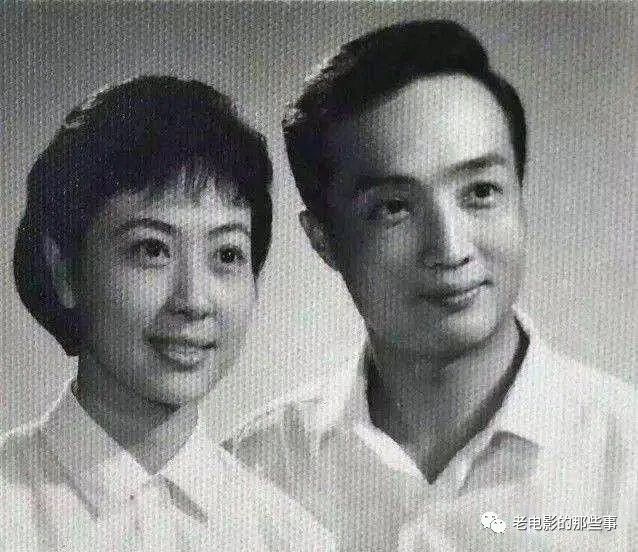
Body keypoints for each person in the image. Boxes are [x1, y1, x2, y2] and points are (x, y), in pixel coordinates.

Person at [228, 20, 637, 550]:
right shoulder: (251, 475)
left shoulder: (627, 457)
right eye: (394, 208)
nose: (450, 248)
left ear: (519, 196)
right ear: (324, 240)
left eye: (481, 192)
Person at [1, 76, 334, 551]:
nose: (193, 301)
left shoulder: (292, 538)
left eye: (227, 255)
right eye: (152, 249)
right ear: (65, 273)